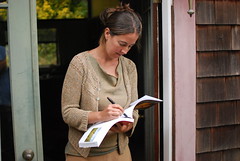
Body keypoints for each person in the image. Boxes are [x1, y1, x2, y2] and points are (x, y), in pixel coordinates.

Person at [61, 3, 142, 161]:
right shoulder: (80, 63)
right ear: (107, 33)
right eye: (122, 44)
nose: (125, 51)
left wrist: (129, 124)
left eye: (130, 46)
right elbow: (68, 112)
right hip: (83, 155)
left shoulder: (129, 67)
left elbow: (134, 108)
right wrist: (100, 115)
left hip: (121, 153)